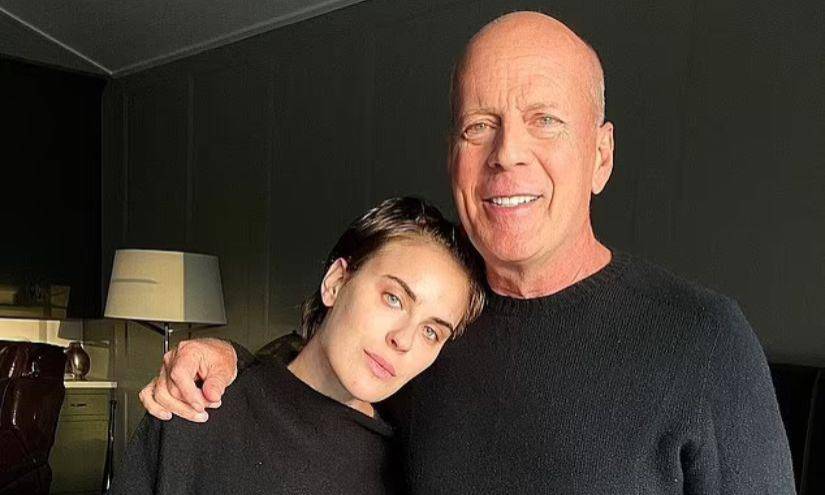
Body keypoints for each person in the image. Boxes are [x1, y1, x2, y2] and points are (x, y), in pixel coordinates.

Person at [138, 12, 795, 493]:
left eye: (545, 120)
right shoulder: (436, 329)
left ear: (600, 155)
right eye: (480, 125)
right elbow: (311, 380)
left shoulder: (701, 339)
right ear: (453, 157)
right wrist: (222, 358)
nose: (507, 153)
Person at [111, 197, 485, 494]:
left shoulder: (411, 471)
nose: (403, 340)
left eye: (431, 332)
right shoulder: (197, 404)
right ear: (336, 282)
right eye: (393, 298)